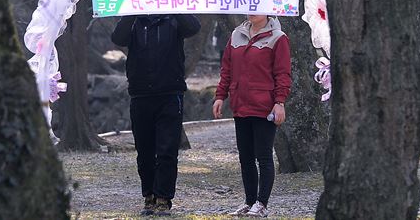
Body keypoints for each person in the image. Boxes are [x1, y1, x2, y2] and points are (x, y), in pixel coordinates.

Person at [111, 14, 201, 217]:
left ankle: (164, 198)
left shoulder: (174, 18)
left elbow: (193, 27)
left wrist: (175, 6)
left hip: (170, 94)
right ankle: (149, 195)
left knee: (167, 150)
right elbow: (118, 38)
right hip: (140, 94)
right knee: (144, 151)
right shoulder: (134, 20)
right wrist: (130, 12)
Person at [212, 14, 291, 218]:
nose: (252, 11)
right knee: (245, 157)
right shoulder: (236, 34)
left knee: (263, 156)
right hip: (240, 105)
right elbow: (226, 70)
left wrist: (279, 102)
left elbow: (283, 73)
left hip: (265, 106)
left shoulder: (278, 37)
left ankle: (262, 204)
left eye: (257, 7)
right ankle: (249, 202)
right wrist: (220, 96)